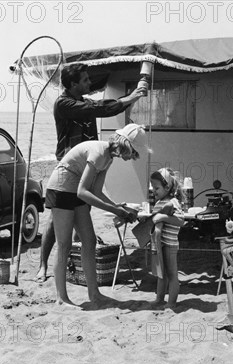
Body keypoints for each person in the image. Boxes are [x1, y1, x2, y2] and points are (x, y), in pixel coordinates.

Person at [35, 63, 146, 282]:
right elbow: (100, 109)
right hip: (68, 164)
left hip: (90, 160)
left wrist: (131, 98)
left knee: (81, 211)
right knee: (54, 220)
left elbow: (103, 106)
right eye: (85, 80)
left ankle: (73, 261)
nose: (89, 83)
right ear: (73, 84)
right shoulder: (64, 103)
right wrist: (131, 97)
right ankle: (43, 265)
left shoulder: (83, 101)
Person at [45, 123, 148, 307]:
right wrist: (116, 210)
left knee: (90, 241)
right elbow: (83, 192)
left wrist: (118, 207)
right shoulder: (100, 153)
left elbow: (97, 192)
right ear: (126, 145)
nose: (131, 157)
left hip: (74, 189)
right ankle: (61, 298)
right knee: (64, 244)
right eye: (132, 153)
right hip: (61, 189)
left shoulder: (108, 158)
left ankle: (94, 294)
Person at [149, 168, 185, 309]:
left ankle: (171, 303)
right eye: (152, 187)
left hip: (170, 244)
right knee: (161, 274)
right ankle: (159, 298)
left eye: (156, 188)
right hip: (159, 243)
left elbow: (180, 221)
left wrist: (163, 217)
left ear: (167, 187)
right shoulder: (158, 203)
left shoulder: (173, 202)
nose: (153, 191)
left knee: (171, 274)